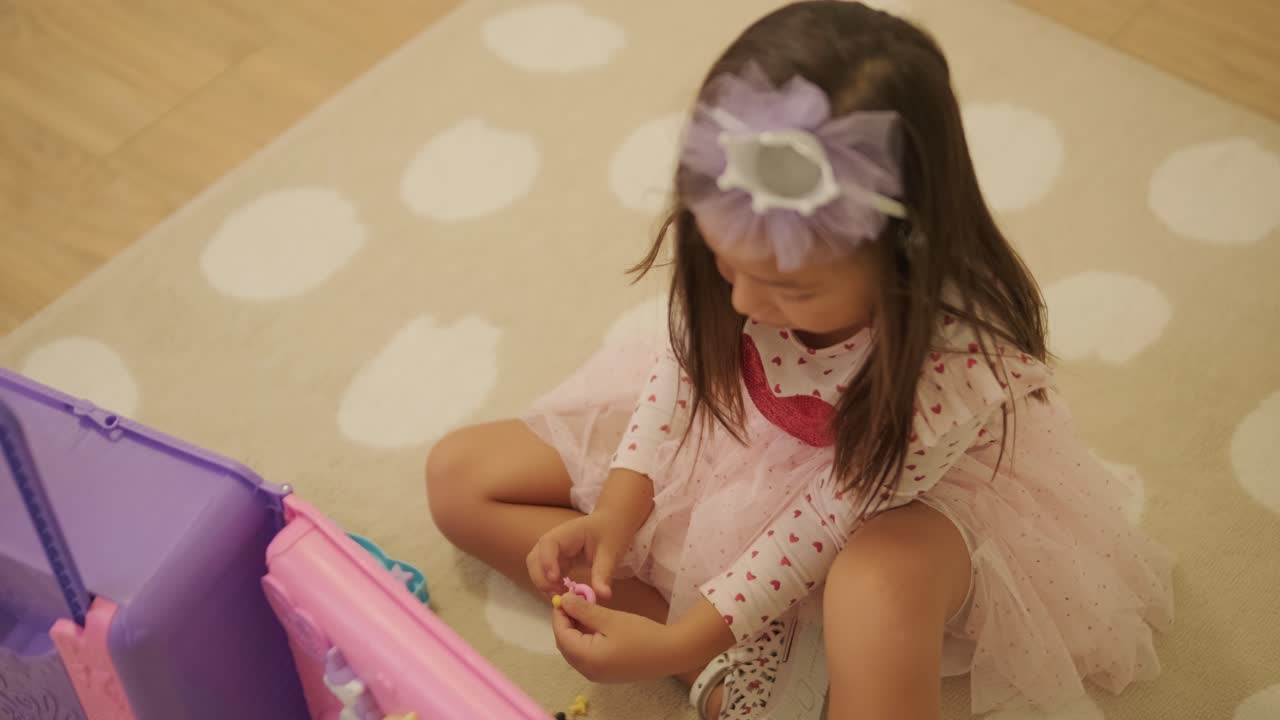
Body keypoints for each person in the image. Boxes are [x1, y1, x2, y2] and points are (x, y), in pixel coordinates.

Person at [426, 2, 1174, 718]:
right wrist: (619, 514)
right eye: (724, 263)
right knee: (460, 477)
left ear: (904, 255)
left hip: (886, 501)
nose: (746, 302)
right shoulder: (744, 250)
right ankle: (732, 666)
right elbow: (682, 370)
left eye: (792, 290)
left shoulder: (951, 358)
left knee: (877, 591)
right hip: (750, 434)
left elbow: (821, 522)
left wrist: (679, 634)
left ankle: (722, 648)